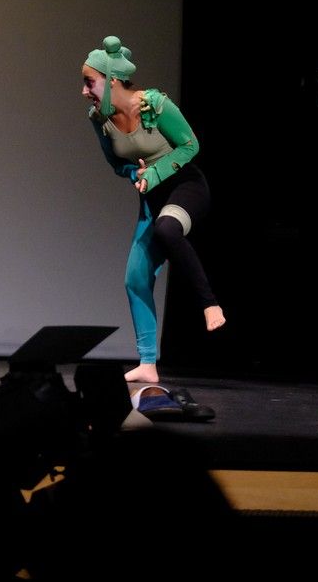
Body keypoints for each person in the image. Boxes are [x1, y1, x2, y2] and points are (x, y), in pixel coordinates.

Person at [81, 36, 223, 385]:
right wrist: (134, 172)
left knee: (167, 229)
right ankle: (147, 363)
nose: (85, 92)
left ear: (112, 81)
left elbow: (191, 144)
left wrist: (157, 171)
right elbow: (117, 164)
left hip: (186, 187)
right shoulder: (100, 118)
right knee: (135, 278)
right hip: (153, 198)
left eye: (90, 82)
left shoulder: (155, 105)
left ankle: (210, 303)